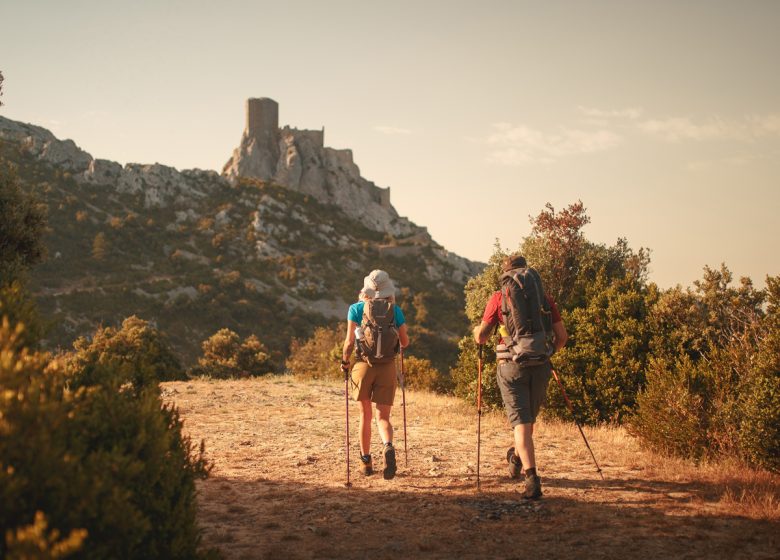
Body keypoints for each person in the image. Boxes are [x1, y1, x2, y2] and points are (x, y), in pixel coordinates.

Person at [472, 254, 568, 499]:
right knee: (527, 422)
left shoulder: (499, 297)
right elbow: (562, 338)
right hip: (541, 364)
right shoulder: (543, 298)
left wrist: (476, 332)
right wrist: (547, 352)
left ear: (506, 274)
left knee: (522, 424)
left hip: (511, 367)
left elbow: (482, 336)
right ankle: (516, 457)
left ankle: (532, 478)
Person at [341, 270, 409, 480]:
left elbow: (349, 343)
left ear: (366, 290)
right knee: (383, 417)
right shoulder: (395, 310)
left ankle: (366, 461)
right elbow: (405, 343)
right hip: (387, 367)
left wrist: (344, 361)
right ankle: (387, 445)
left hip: (364, 366)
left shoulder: (356, 308)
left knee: (365, 415)